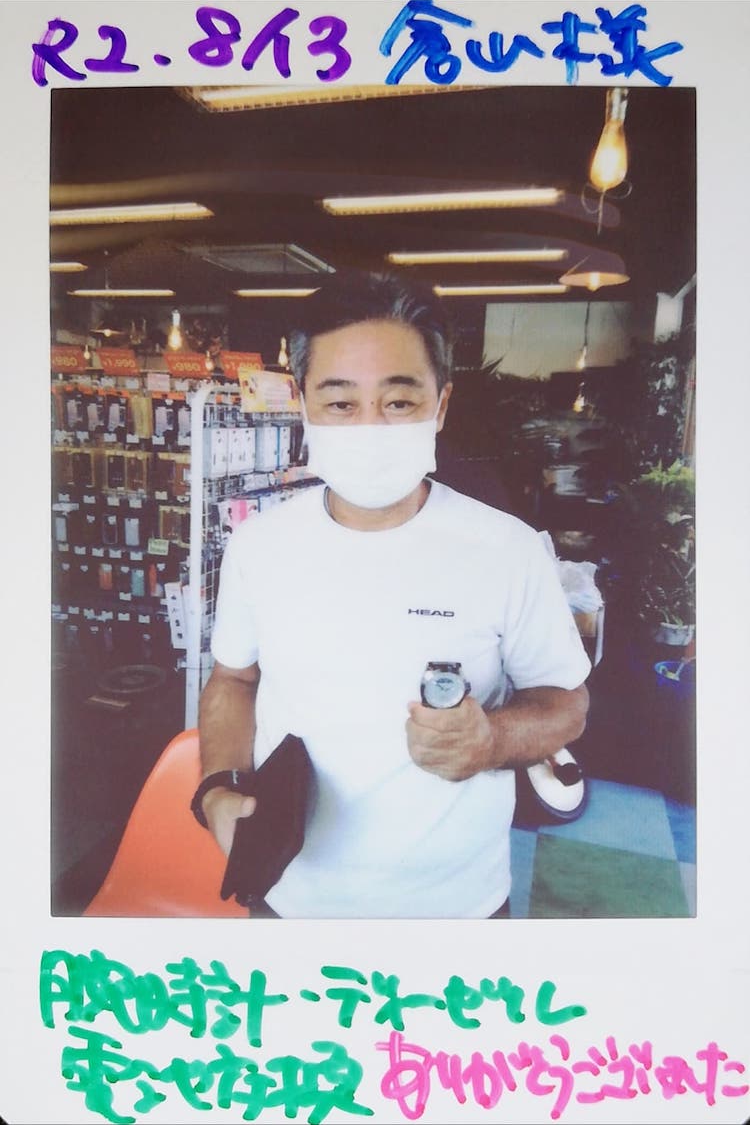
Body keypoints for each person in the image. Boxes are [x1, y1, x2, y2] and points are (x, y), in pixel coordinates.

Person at [196, 271, 590, 919]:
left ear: (441, 405)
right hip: (289, 897)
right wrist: (218, 785)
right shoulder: (259, 546)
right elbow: (233, 680)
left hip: (457, 909)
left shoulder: (507, 550)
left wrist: (491, 739)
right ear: (302, 401)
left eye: (400, 402)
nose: (370, 426)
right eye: (340, 403)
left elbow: (566, 703)